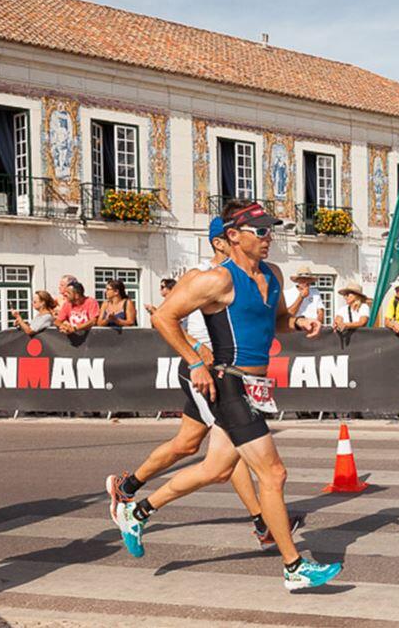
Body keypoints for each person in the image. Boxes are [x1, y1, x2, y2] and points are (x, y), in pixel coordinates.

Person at [112, 200, 342, 590]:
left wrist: (300, 322)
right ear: (233, 236)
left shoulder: (273, 272)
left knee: (217, 469)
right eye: (262, 231)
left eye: (271, 230)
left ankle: (137, 511)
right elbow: (162, 317)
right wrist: (195, 363)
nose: (270, 238)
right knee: (273, 473)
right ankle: (293, 566)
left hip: (256, 386)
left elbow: (278, 322)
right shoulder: (218, 280)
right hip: (229, 383)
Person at [106, 217, 297, 551]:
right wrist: (197, 359)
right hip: (208, 372)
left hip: (227, 373)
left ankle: (130, 492)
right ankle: (264, 523)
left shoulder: (256, 277)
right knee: (242, 456)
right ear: (221, 241)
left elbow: (272, 318)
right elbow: (168, 320)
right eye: (224, 239)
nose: (266, 240)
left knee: (194, 450)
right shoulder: (203, 278)